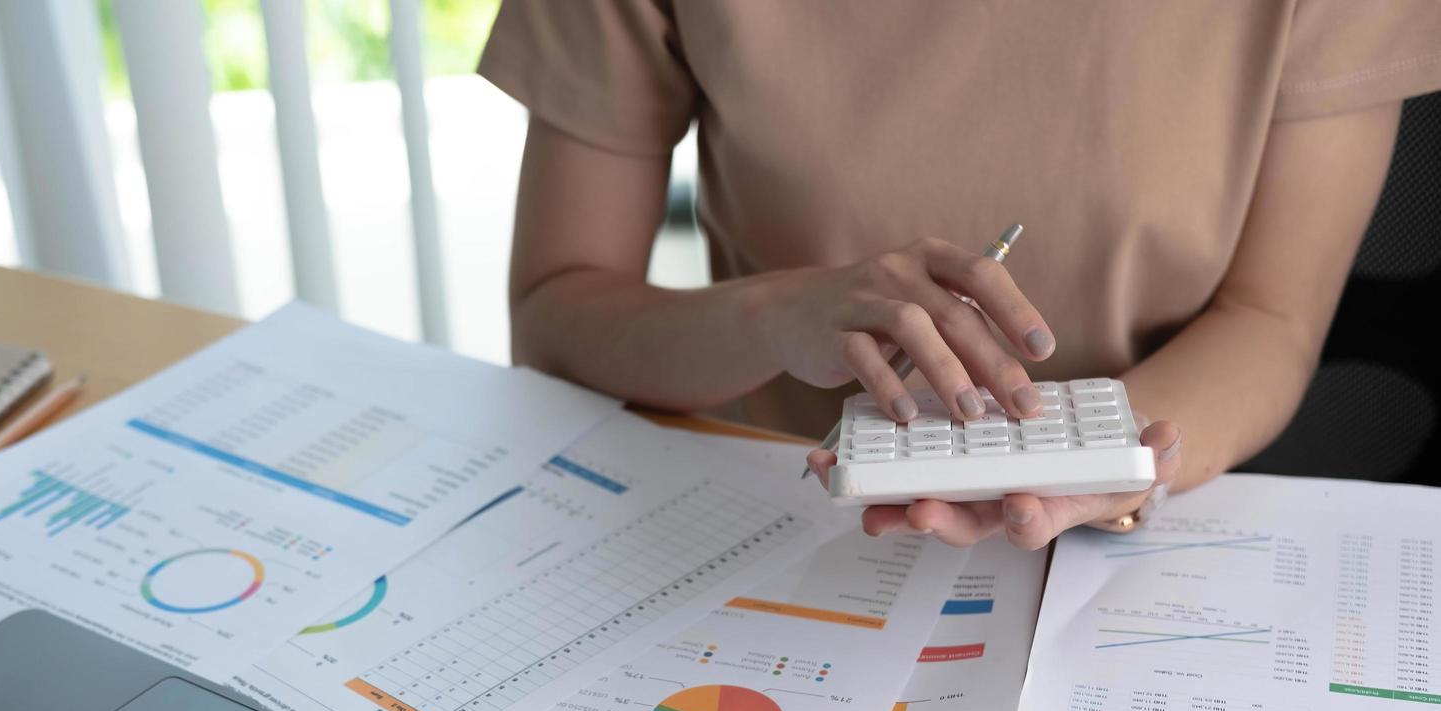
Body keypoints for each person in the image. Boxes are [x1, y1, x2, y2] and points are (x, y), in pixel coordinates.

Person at [478, 1, 1441, 548]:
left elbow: (1270, 314)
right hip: (776, 537)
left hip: (1132, 550)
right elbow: (557, 308)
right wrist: (772, 315)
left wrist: (1093, 468)